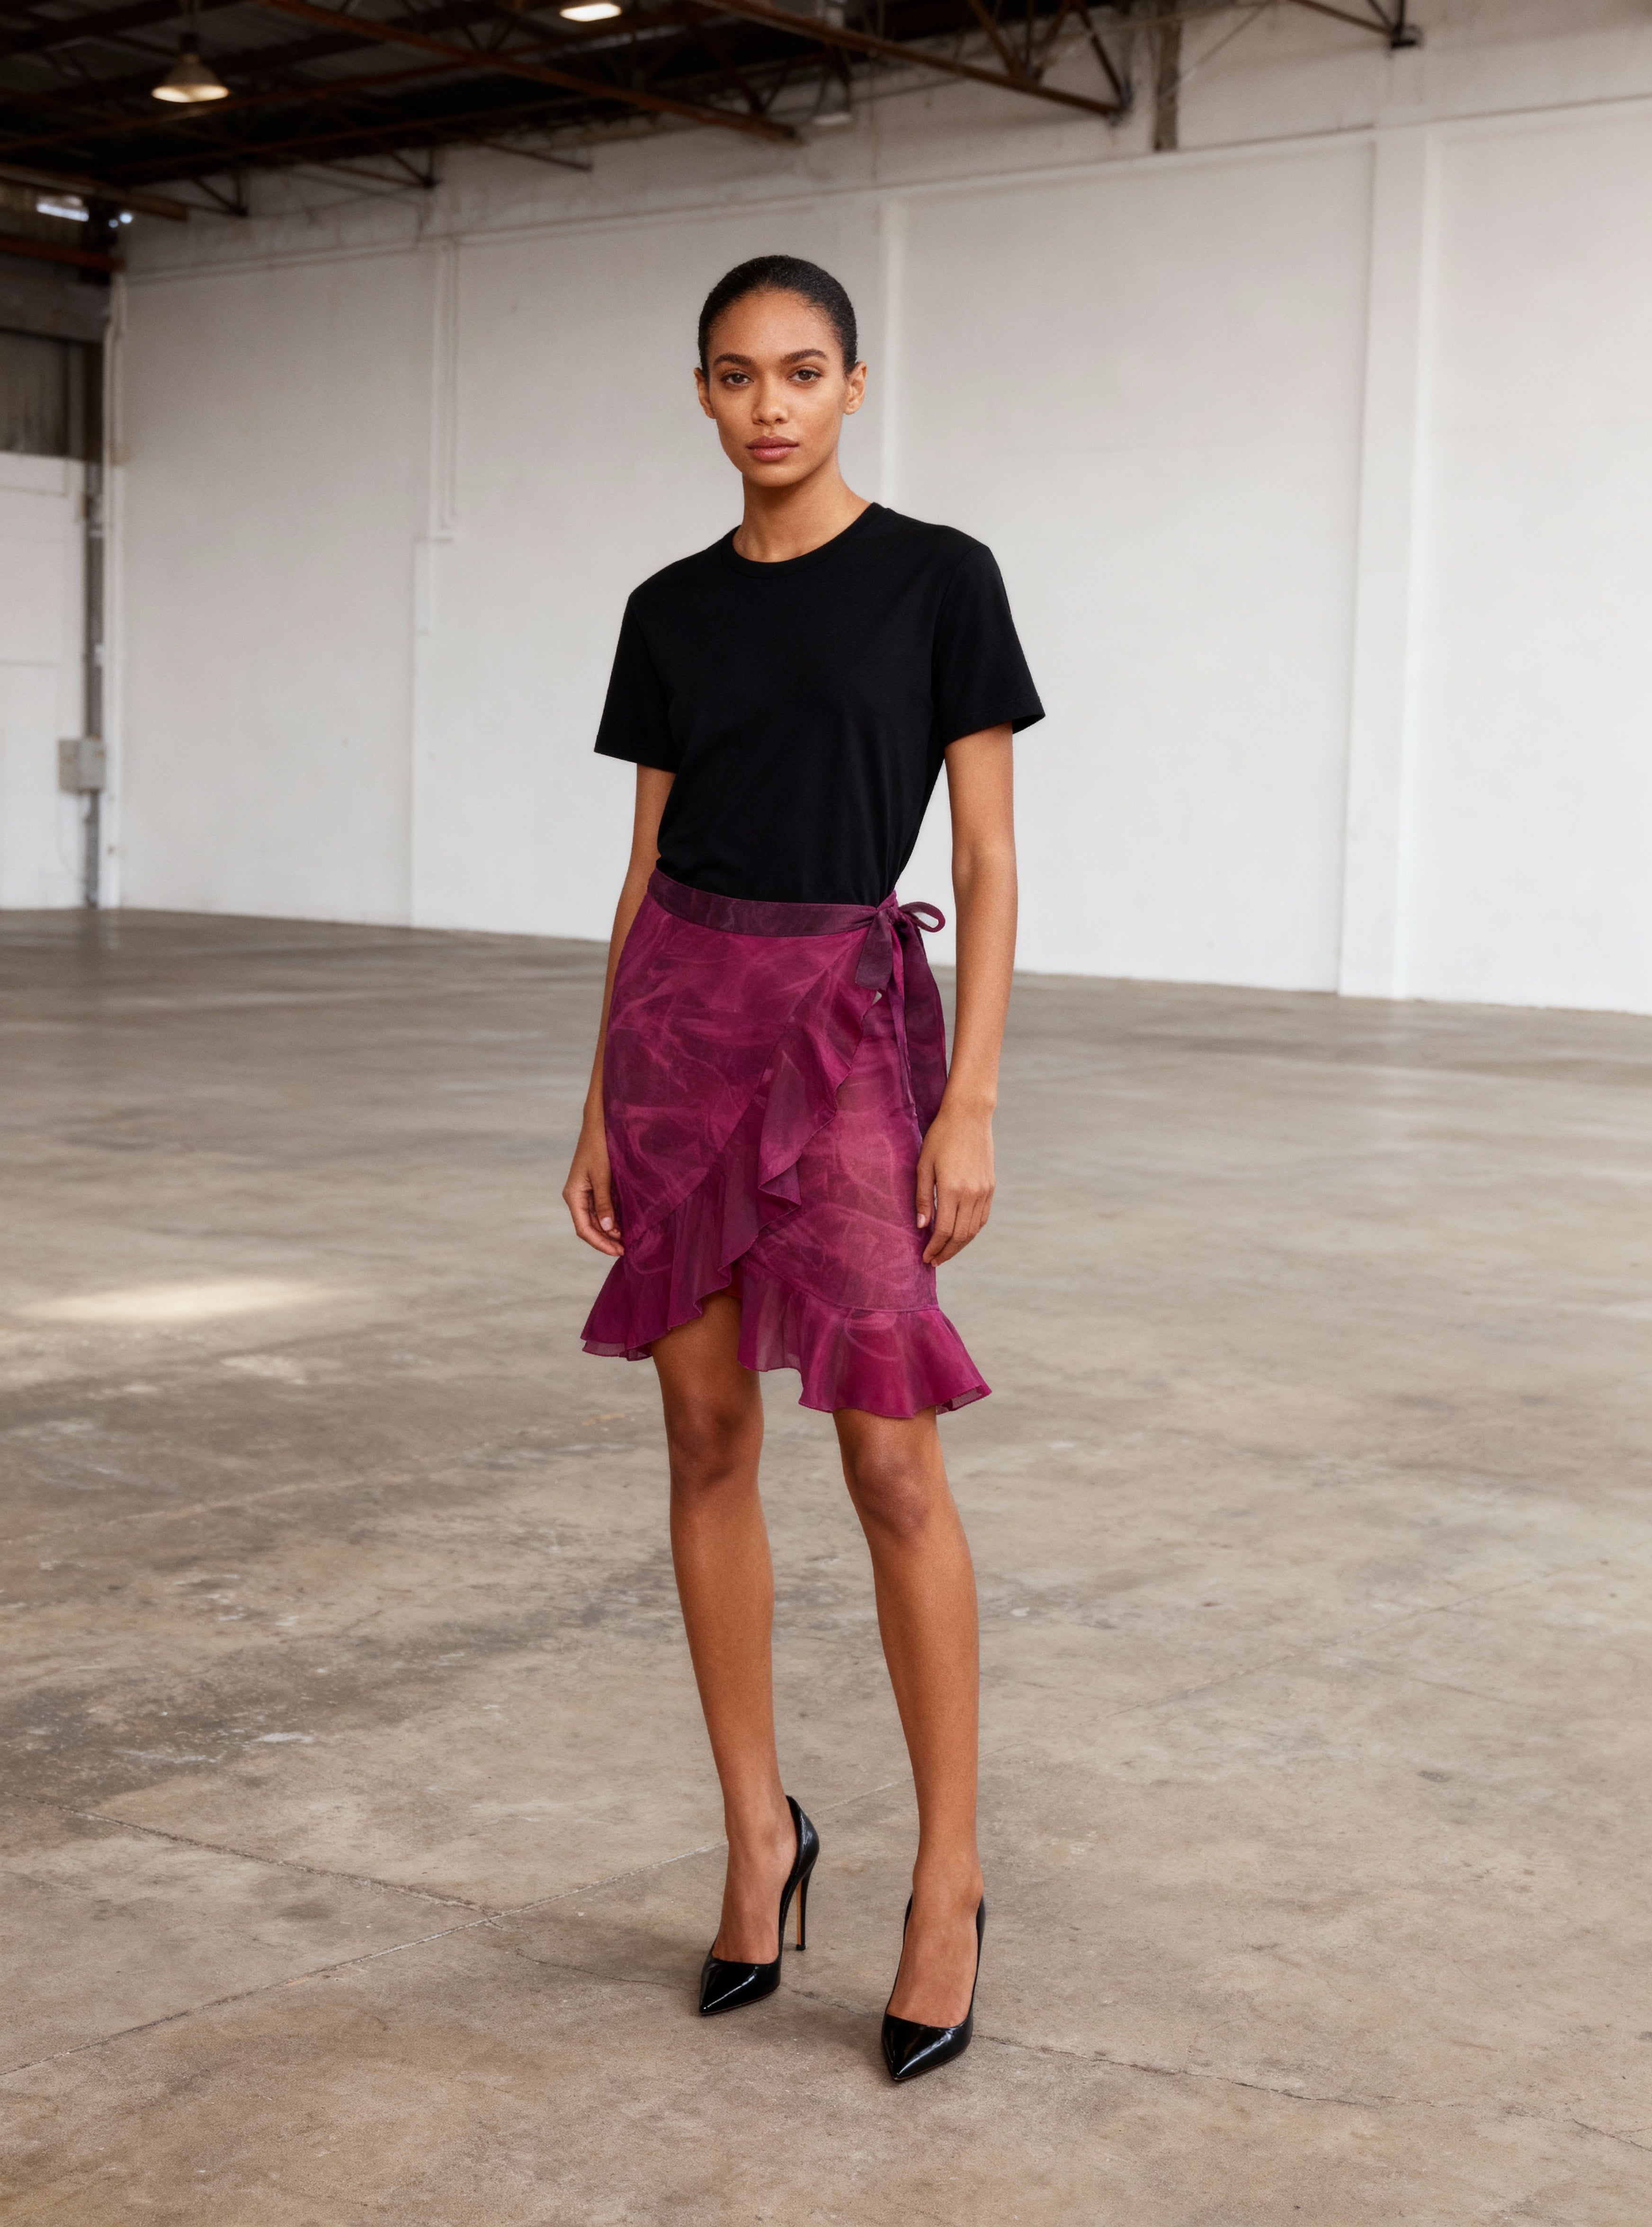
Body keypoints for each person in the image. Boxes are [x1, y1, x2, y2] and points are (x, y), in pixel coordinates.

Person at [563, 253, 1042, 2084]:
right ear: (700, 396)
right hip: (679, 1029)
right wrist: (596, 1093)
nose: (771, 403)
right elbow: (643, 871)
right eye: (737, 375)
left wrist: (972, 1096)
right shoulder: (667, 610)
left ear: (856, 387)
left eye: (804, 370)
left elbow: (989, 864)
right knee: (703, 1438)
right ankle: (761, 1835)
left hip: (847, 1028)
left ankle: (951, 1877)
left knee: (891, 1453)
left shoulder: (942, 579)